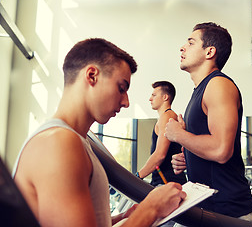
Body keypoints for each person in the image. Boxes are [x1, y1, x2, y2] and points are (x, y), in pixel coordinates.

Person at [12, 38, 186, 227]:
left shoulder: (76, 141)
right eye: (121, 88)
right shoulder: (58, 143)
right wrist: (151, 208)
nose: (126, 102)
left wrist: (121, 218)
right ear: (92, 75)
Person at [165, 22, 252, 221]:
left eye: (190, 43)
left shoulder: (218, 85)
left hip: (227, 211)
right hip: (204, 206)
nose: (182, 47)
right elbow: (209, 145)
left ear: (209, 52)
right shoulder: (200, 90)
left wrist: (178, 135)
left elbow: (221, 150)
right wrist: (188, 156)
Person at [137, 81, 187, 186]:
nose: (150, 99)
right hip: (166, 181)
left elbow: (160, 155)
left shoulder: (167, 117)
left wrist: (137, 176)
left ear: (165, 97)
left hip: (167, 182)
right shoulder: (169, 116)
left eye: (154, 95)